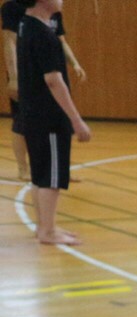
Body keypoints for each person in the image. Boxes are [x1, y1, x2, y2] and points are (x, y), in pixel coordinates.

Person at [14, 0, 87, 244]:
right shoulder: (44, 35)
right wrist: (76, 120)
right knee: (51, 177)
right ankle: (48, 231)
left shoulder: (26, 25)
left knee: (40, 173)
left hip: (32, 113)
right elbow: (54, 80)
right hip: (49, 117)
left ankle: (44, 226)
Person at [4, 0, 80, 183]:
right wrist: (14, 77)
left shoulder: (54, 11)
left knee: (59, 121)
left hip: (52, 71)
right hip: (28, 75)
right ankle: (23, 169)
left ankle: (60, 169)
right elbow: (9, 41)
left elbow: (61, 40)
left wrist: (74, 63)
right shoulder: (13, 7)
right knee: (21, 122)